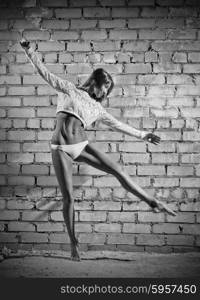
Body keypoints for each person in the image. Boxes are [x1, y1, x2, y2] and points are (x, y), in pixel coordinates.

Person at [20, 39, 176, 261]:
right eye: (105, 89)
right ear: (95, 81)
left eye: (107, 92)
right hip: (60, 148)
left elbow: (119, 125)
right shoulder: (68, 89)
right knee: (69, 199)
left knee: (117, 170)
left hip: (80, 146)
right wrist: (29, 51)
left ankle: (152, 202)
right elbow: (44, 73)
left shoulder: (98, 108)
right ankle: (74, 245)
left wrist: (143, 135)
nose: (105, 94)